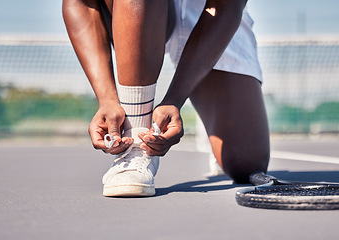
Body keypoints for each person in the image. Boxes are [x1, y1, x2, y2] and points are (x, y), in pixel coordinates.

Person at [62, 0, 270, 197]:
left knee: (246, 164)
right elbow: (79, 2)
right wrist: (107, 99)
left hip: (213, 11)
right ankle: (136, 144)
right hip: (138, 11)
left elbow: (228, 6)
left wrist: (174, 100)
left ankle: (211, 120)